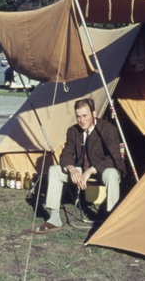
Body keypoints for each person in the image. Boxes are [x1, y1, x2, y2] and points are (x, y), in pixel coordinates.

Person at [34, 98, 126, 233]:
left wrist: (91, 171)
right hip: (81, 169)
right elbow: (65, 155)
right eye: (78, 116)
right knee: (54, 170)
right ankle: (54, 219)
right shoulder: (73, 131)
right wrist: (72, 170)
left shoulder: (108, 129)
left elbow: (115, 158)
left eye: (85, 116)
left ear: (94, 114)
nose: (81, 120)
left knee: (111, 174)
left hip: (104, 169)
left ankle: (113, 222)